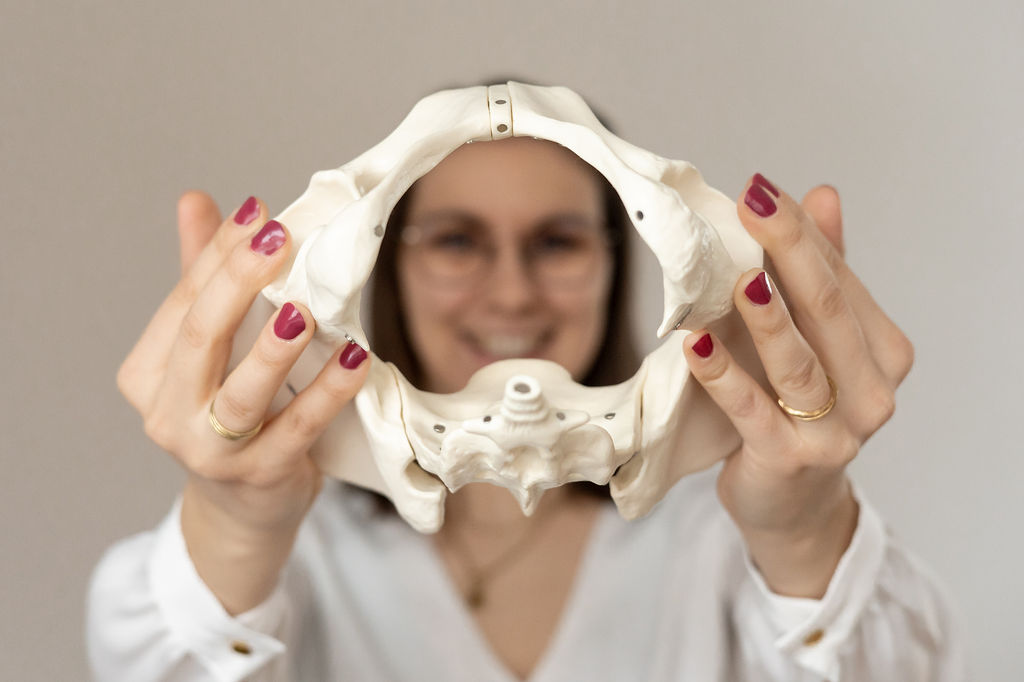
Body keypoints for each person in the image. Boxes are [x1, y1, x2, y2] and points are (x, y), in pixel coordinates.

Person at [87, 90, 965, 681]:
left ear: (625, 261)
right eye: (457, 240)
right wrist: (235, 521)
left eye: (556, 241)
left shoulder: (724, 542)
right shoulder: (301, 556)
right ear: (386, 265)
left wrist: (806, 528)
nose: (510, 292)